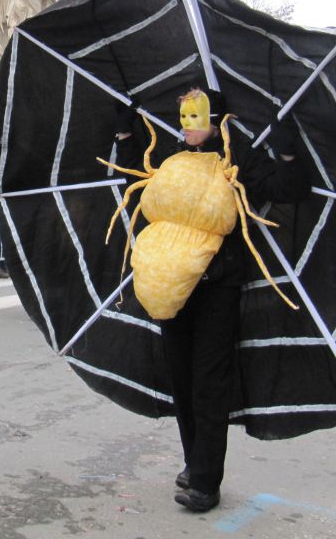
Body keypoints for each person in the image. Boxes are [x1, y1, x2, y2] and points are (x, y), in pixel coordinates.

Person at [115, 89, 309, 512]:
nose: (187, 125)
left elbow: (290, 188)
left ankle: (206, 481)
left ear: (216, 118)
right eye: (183, 117)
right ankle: (194, 460)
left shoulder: (238, 158)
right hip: (171, 285)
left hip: (217, 284)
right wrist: (124, 136)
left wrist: (289, 151)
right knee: (182, 380)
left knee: (209, 381)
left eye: (196, 117)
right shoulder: (171, 153)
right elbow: (141, 186)